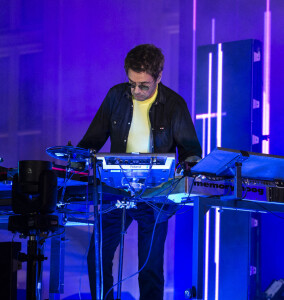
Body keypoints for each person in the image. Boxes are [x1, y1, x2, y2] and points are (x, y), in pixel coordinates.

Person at [77, 44, 202, 300]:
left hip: (155, 195)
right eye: (132, 83)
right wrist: (76, 158)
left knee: (150, 269)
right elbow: (92, 140)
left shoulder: (174, 104)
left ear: (159, 76)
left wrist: (188, 167)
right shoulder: (115, 96)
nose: (136, 91)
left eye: (144, 85)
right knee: (97, 257)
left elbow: (191, 151)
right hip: (116, 191)